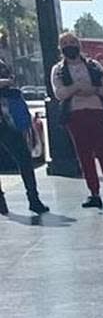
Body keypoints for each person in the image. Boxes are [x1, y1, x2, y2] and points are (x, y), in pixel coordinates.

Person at [51, 32, 103, 209]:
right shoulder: (58, 70)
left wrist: (92, 89)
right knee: (84, 156)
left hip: (97, 113)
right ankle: (94, 193)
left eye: (72, 42)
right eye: (65, 43)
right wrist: (77, 87)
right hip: (75, 116)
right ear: (60, 48)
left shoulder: (94, 66)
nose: (69, 46)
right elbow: (60, 94)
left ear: (79, 45)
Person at [0, 60, 48, 215]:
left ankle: (34, 199)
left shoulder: (2, 64)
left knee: (24, 158)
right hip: (6, 118)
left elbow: (11, 81)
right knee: (23, 159)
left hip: (9, 119)